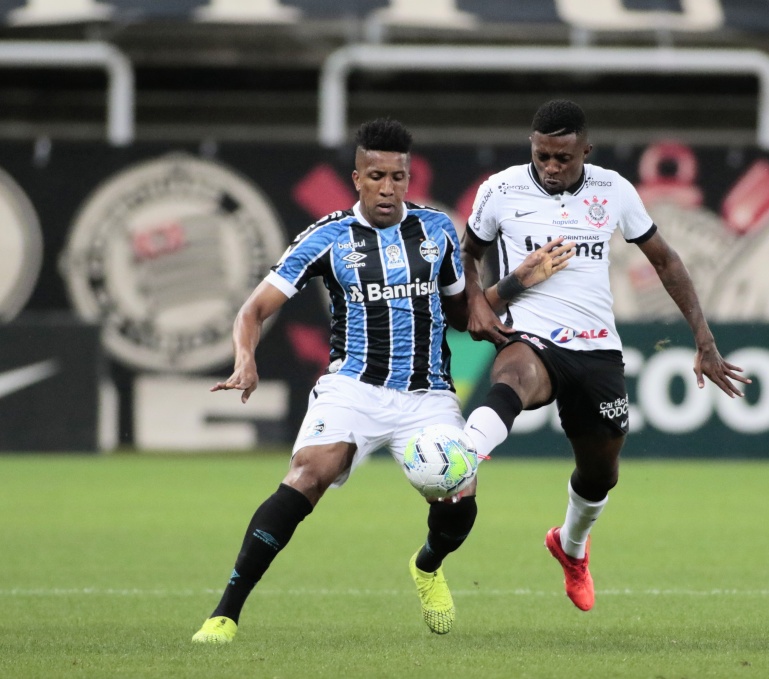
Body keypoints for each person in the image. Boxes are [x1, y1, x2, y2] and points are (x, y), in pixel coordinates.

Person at [191, 118, 574, 643]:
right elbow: (254, 310)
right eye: (377, 176)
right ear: (357, 178)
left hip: (428, 394)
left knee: (458, 501)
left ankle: (427, 565)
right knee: (308, 474)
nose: (388, 188)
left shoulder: (437, 230)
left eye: (398, 177)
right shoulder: (327, 237)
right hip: (354, 387)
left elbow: (465, 316)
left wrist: (517, 281)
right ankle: (225, 613)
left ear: (409, 178)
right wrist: (245, 359)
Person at [459, 100, 751, 612]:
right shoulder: (499, 190)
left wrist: (704, 340)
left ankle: (570, 547)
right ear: (532, 145)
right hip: (532, 335)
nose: (550, 167)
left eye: (563, 158)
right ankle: (460, 458)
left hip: (596, 348)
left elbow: (665, 260)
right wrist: (482, 301)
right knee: (513, 379)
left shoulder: (613, 190)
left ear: (585, 151)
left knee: (601, 475)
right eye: (543, 155)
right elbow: (468, 252)